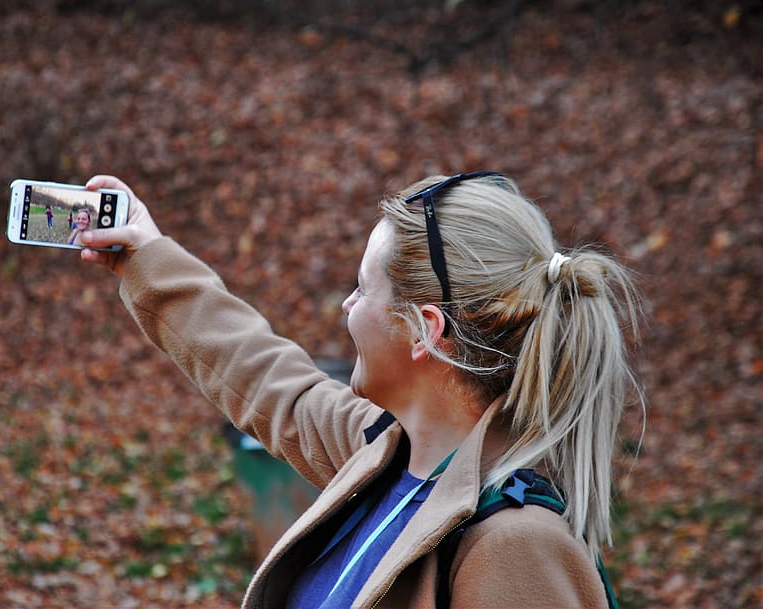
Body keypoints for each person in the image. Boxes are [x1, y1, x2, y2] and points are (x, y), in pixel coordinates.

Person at [78, 172, 642, 608]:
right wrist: (143, 254)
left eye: (363, 288)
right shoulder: (379, 455)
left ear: (426, 330)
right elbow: (262, 374)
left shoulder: (514, 547)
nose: (348, 306)